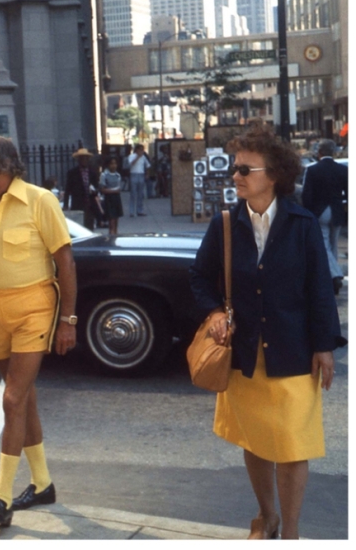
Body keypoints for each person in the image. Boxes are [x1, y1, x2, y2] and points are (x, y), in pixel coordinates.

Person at [189, 120, 345, 540]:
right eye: (234, 169)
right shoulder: (224, 224)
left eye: (245, 170)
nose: (236, 177)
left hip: (293, 351)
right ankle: (267, 515)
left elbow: (319, 289)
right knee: (256, 441)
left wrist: (325, 347)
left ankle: (290, 533)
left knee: (294, 446)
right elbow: (200, 279)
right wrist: (214, 314)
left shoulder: (303, 223)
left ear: (273, 176)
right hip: (244, 355)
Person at [0, 136, 77, 527]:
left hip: (34, 308)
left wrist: (68, 320)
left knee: (12, 399)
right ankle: (42, 483)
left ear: (5, 166)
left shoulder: (39, 200)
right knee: (23, 399)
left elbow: (65, 261)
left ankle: (1, 497)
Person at [301, 139, 348, 295]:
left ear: (319, 152)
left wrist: (308, 212)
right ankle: (333, 278)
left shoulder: (313, 170)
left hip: (320, 211)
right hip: (337, 210)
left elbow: (306, 195)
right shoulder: (342, 169)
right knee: (333, 245)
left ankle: (335, 275)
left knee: (324, 244)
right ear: (333, 152)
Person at [63, 147, 101, 230]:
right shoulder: (72, 173)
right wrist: (65, 204)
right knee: (79, 227)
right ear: (78, 160)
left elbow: (97, 187)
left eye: (86, 158)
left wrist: (95, 191)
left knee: (89, 226)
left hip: (90, 203)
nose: (84, 160)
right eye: (82, 158)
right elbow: (68, 189)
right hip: (78, 203)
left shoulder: (92, 172)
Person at [99, 155, 124, 235]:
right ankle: (111, 237)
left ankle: (115, 236)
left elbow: (119, 187)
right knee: (111, 223)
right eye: (111, 164)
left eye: (115, 163)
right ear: (107, 165)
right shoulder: (104, 175)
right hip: (109, 199)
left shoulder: (117, 175)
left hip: (116, 199)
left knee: (116, 221)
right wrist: (113, 191)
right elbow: (102, 189)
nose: (114, 166)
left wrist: (116, 191)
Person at [127, 144, 152, 217]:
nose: (142, 151)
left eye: (142, 150)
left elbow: (148, 165)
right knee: (133, 194)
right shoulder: (131, 156)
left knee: (140, 194)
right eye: (140, 149)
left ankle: (140, 210)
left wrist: (147, 174)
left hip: (141, 174)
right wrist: (138, 156)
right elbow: (131, 164)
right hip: (133, 174)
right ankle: (131, 211)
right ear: (136, 150)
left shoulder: (143, 157)